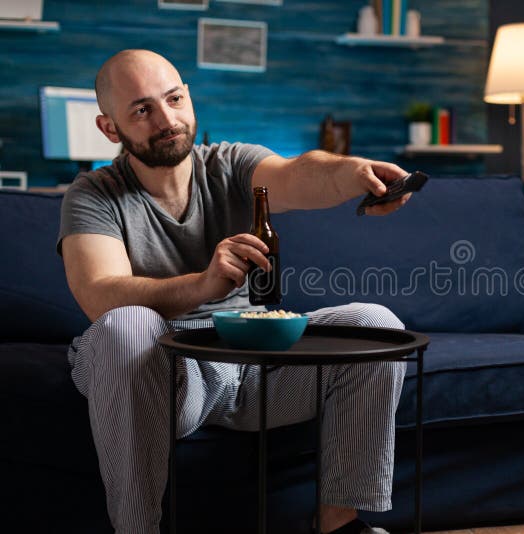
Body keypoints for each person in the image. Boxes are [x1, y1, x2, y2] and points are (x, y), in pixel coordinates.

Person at [58, 49, 414, 534]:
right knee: (126, 324)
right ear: (110, 128)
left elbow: (299, 173)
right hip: (162, 374)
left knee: (377, 325)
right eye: (142, 110)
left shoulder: (229, 164)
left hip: (248, 367)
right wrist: (204, 283)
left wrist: (351, 174)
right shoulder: (93, 195)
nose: (168, 120)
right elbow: (100, 296)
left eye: (175, 99)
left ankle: (339, 523)